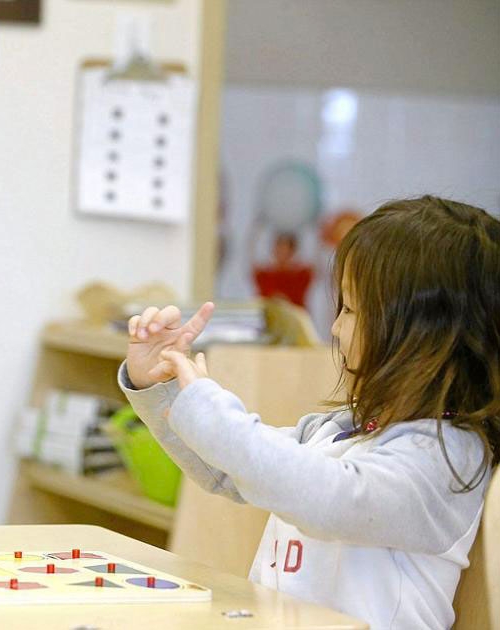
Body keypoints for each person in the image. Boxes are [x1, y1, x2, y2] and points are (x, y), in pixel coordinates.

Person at [122, 196, 499, 629]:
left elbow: (331, 498)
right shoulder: (343, 430)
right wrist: (160, 385)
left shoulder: (447, 458)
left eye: (352, 310)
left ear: (422, 334)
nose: (336, 329)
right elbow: (230, 468)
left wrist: (208, 410)